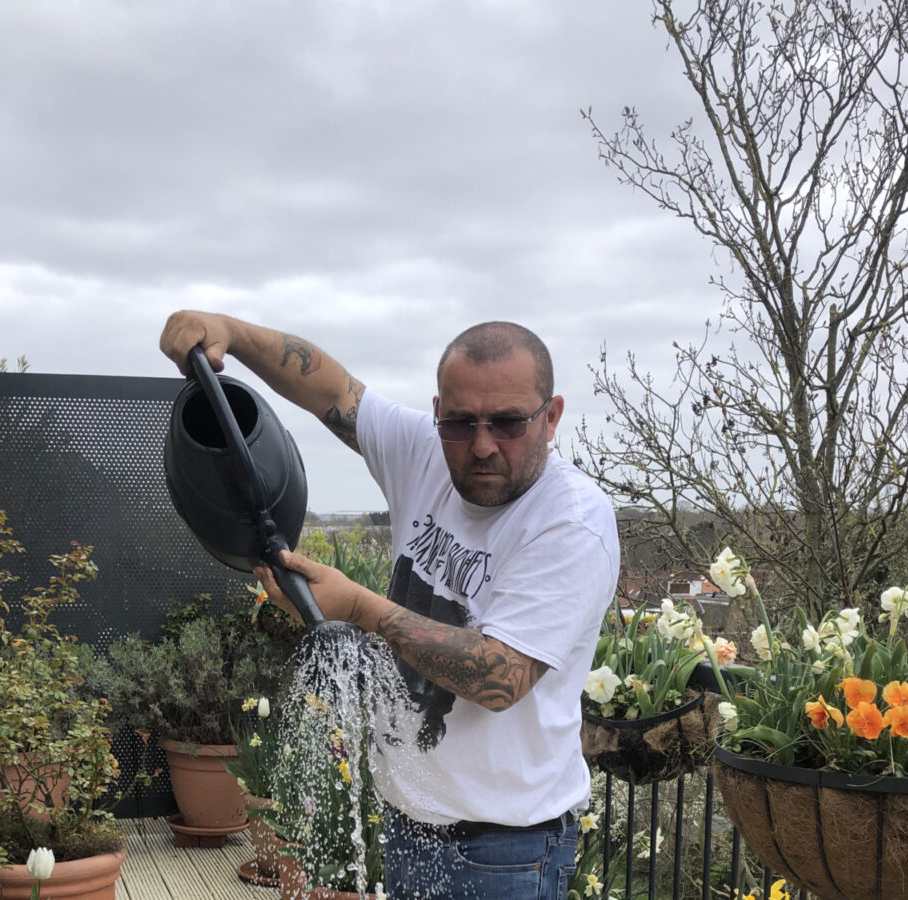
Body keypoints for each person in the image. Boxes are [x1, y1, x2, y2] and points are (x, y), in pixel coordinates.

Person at [160, 311, 618, 900]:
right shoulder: (426, 452)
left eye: (507, 423)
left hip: (505, 851)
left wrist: (356, 605)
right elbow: (332, 388)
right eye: (460, 422)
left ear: (550, 417)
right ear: (437, 413)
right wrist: (229, 332)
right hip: (411, 822)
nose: (481, 445)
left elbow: (500, 678)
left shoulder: (571, 523)